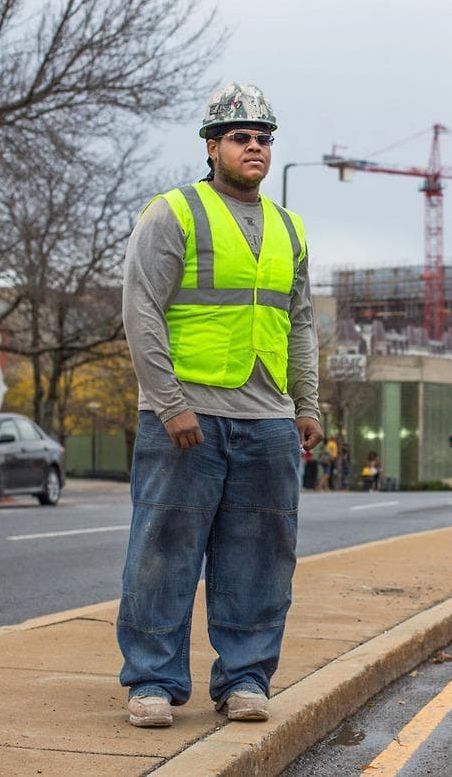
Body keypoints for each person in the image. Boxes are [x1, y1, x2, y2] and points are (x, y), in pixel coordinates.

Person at [118, 83, 323, 730]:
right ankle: (152, 682)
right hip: (186, 420)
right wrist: (169, 402)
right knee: (165, 552)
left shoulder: (290, 229)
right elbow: (140, 309)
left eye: (263, 138)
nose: (254, 148)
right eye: (241, 137)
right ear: (213, 148)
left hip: (266, 422)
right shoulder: (173, 213)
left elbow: (301, 322)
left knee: (261, 557)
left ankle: (245, 680)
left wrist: (306, 404)